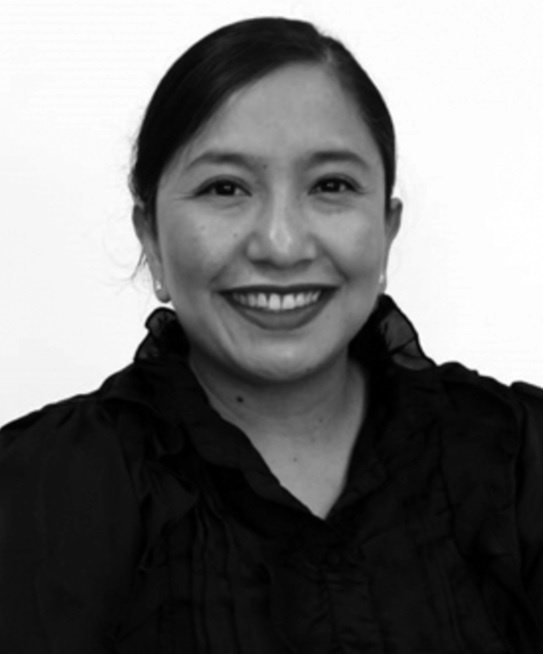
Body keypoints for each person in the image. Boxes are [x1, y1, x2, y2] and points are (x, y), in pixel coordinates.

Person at [1, 16, 543, 654]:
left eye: (331, 185)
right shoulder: (32, 494)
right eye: (225, 188)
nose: (281, 245)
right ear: (151, 237)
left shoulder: (521, 462)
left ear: (387, 229)